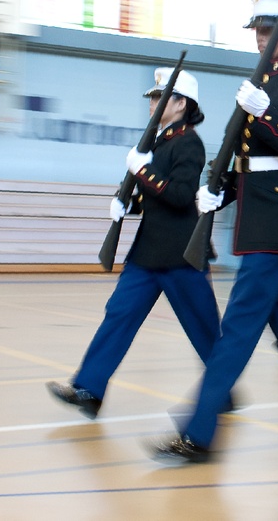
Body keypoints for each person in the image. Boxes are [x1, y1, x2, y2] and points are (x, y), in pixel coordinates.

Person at [146, 0, 278, 464]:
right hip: (252, 212)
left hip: (276, 215)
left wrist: (265, 114)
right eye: (258, 29)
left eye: (270, 28)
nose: (261, 37)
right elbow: (244, 157)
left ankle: (199, 432)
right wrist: (219, 190)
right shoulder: (255, 81)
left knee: (237, 327)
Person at [47, 69, 224, 419]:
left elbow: (179, 195)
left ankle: (222, 389)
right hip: (147, 254)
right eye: (153, 97)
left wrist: (143, 172)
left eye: (160, 97)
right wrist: (128, 203)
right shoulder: (158, 142)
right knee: (118, 315)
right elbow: (154, 197)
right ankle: (89, 388)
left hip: (180, 254)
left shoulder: (189, 142)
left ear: (181, 104)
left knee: (205, 331)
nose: (153, 103)